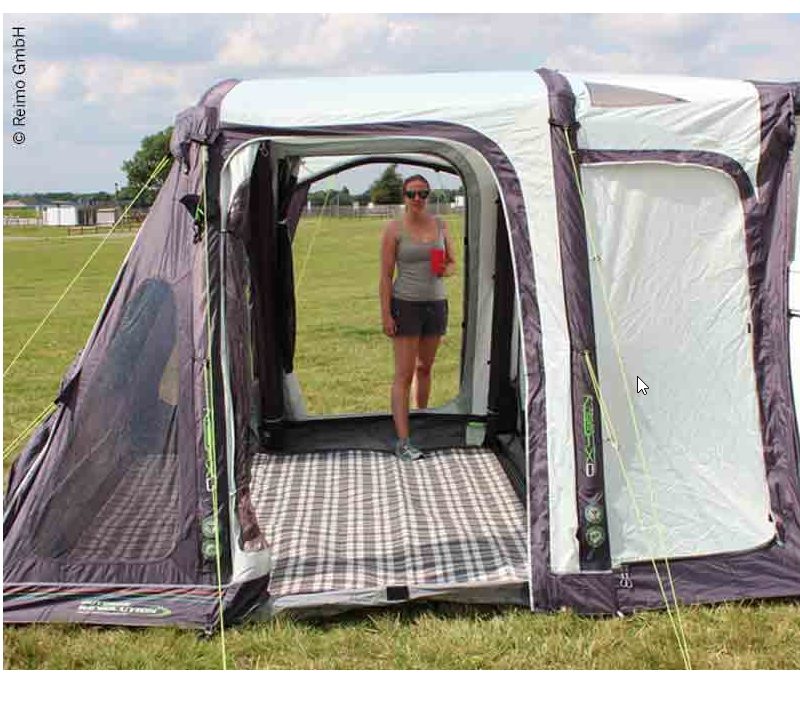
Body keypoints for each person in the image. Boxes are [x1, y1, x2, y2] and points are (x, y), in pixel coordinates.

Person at [379, 174, 456, 461]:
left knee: (425, 368)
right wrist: (386, 314)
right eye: (412, 194)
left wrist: (445, 269)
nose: (417, 199)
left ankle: (420, 425)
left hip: (435, 304)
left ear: (428, 195)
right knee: (404, 374)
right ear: (404, 196)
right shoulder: (394, 229)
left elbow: (452, 262)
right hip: (406, 304)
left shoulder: (441, 224)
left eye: (423, 193)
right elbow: (385, 276)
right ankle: (403, 441)